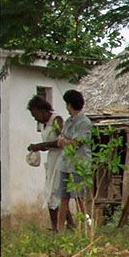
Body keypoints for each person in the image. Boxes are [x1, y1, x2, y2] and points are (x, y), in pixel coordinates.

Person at [26, 95, 66, 231]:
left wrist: (41, 145)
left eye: (35, 114)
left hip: (61, 159)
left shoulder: (56, 120)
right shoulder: (44, 124)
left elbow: (62, 142)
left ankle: (57, 228)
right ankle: (64, 226)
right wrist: (37, 147)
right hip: (52, 159)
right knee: (52, 192)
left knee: (54, 192)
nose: (35, 118)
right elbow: (49, 145)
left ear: (42, 110)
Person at [55, 89, 93, 229]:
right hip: (66, 163)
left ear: (70, 105)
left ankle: (87, 226)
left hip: (79, 163)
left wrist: (65, 142)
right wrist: (64, 141)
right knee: (63, 196)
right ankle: (60, 229)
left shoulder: (84, 122)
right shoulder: (68, 121)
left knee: (79, 197)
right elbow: (64, 138)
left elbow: (77, 142)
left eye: (67, 104)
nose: (66, 107)